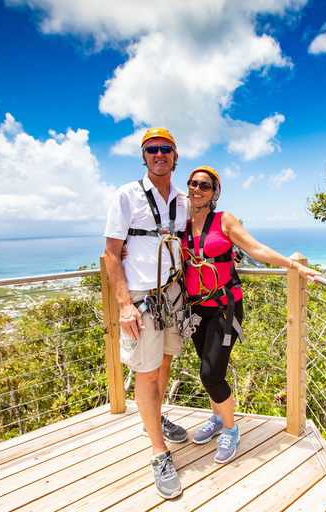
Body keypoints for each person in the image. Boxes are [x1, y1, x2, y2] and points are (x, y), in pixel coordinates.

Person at [181, 166, 321, 464]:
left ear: (214, 192)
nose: (197, 189)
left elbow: (256, 248)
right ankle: (217, 420)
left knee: (211, 373)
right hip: (196, 309)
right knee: (206, 368)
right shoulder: (181, 224)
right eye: (192, 183)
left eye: (204, 185)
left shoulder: (224, 220)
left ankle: (231, 429)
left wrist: (294, 266)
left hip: (224, 308)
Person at [103, 127, 188, 500]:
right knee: (147, 370)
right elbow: (111, 251)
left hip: (172, 290)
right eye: (152, 149)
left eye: (165, 149)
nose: (159, 155)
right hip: (140, 296)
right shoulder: (127, 195)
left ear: (174, 156)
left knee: (166, 360)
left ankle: (152, 418)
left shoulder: (183, 201)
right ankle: (158, 453)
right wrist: (124, 304)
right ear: (144, 156)